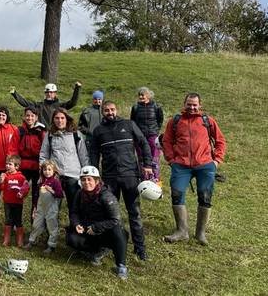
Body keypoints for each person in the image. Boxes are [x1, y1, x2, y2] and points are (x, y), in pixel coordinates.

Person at [90, 100, 153, 261]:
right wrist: (94, 176)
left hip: (130, 176)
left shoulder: (129, 124)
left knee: (134, 213)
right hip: (109, 179)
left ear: (116, 110)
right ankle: (105, 246)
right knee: (106, 214)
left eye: (112, 109)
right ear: (102, 112)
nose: (110, 112)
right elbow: (94, 155)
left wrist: (147, 164)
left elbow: (144, 143)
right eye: (106, 110)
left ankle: (140, 249)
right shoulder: (98, 131)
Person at [162, 93, 226, 246]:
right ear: (184, 104)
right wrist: (171, 160)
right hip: (181, 165)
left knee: (205, 196)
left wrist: (216, 161)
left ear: (200, 105)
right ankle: (182, 231)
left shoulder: (207, 121)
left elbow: (220, 141)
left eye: (194, 104)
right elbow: (166, 141)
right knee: (177, 193)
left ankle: (200, 233)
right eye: (189, 104)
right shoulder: (175, 121)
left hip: (205, 165)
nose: (192, 107)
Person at [66, 166, 129, 280]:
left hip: (104, 230)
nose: (86, 182)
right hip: (87, 228)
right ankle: (94, 252)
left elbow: (115, 219)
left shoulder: (106, 196)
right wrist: (76, 224)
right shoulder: (79, 194)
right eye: (83, 179)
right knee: (71, 238)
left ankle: (121, 266)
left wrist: (96, 227)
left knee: (119, 230)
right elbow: (74, 212)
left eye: (89, 179)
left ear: (97, 180)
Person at [38, 108, 88, 217]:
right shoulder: (49, 135)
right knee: (52, 207)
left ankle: (74, 231)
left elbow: (83, 155)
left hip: (73, 176)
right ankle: (52, 232)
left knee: (74, 206)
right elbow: (43, 154)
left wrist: (85, 175)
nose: (59, 121)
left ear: (67, 119)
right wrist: (44, 173)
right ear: (53, 120)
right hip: (55, 177)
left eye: (62, 118)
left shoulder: (76, 134)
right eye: (57, 118)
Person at [24, 160, 64, 254]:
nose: (47, 171)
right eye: (45, 169)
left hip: (51, 208)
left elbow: (60, 195)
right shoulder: (40, 182)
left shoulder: (55, 182)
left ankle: (51, 245)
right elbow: (36, 196)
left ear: (54, 171)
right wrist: (34, 207)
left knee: (52, 227)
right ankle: (31, 241)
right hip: (40, 208)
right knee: (36, 224)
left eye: (49, 169)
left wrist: (52, 191)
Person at [16, 106, 46, 220]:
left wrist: (43, 165)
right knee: (19, 191)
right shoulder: (19, 131)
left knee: (36, 194)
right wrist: (15, 164)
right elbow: (14, 147)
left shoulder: (41, 131)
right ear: (24, 116)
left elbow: (45, 148)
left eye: (32, 116)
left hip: (37, 167)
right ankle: (16, 220)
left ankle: (34, 221)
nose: (29, 118)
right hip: (22, 166)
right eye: (27, 115)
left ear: (36, 117)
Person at [130, 87, 164, 182]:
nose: (141, 96)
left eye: (143, 94)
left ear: (148, 95)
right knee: (142, 158)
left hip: (152, 135)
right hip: (139, 136)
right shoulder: (135, 107)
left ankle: (156, 181)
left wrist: (156, 130)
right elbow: (132, 121)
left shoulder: (156, 106)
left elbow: (160, 120)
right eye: (139, 95)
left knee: (154, 158)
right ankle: (144, 181)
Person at [10, 82, 82, 127]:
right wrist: (15, 94)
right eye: (47, 92)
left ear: (55, 93)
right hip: (42, 134)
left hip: (56, 133)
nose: (49, 94)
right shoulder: (39, 105)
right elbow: (25, 103)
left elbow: (73, 102)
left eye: (51, 92)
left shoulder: (60, 106)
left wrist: (77, 88)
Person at [0, 156, 30, 247]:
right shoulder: (5, 176)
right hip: (7, 202)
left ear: (17, 166)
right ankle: (6, 240)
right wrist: (0, 181)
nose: (7, 166)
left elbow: (26, 188)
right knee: (8, 220)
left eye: (10, 164)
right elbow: (0, 188)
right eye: (6, 164)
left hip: (18, 203)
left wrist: (22, 194)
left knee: (18, 221)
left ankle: (20, 241)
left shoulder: (21, 177)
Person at [79, 90, 104, 159]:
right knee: (93, 161)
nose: (97, 101)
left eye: (99, 99)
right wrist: (89, 132)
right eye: (95, 99)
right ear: (93, 100)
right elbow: (80, 126)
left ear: (102, 100)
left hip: (104, 140)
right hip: (91, 140)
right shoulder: (87, 111)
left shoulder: (106, 111)